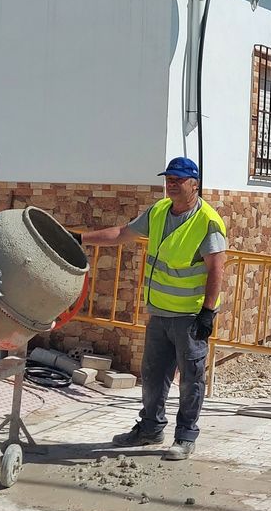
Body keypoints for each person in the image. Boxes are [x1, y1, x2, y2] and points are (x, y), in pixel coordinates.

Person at [77, 157, 227, 459]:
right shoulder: (158, 211)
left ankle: (185, 437)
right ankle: (150, 429)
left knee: (190, 378)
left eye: (178, 179)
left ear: (194, 184)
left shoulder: (207, 221)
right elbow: (122, 233)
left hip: (189, 317)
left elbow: (216, 269)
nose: (171, 184)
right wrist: (79, 239)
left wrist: (208, 312)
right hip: (159, 312)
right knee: (154, 374)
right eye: (168, 179)